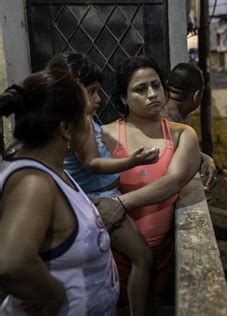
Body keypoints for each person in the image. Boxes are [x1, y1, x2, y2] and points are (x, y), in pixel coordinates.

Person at [0, 70, 119, 315]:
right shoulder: (34, 182)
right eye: (87, 115)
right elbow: (12, 261)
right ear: (65, 128)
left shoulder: (51, 171)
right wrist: (54, 295)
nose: (92, 123)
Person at [48, 53, 156, 316]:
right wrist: (130, 162)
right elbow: (93, 164)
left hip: (93, 198)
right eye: (93, 91)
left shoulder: (70, 119)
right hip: (100, 200)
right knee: (143, 258)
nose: (98, 99)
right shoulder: (79, 121)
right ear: (72, 89)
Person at [97, 56, 201, 308]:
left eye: (156, 85)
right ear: (124, 98)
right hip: (115, 254)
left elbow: (173, 181)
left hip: (162, 252)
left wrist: (122, 202)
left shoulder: (181, 135)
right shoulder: (107, 135)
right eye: (140, 89)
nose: (152, 94)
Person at [163, 62, 218, 192]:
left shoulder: (183, 115)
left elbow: (182, 152)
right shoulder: (163, 121)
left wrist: (206, 159)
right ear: (197, 96)